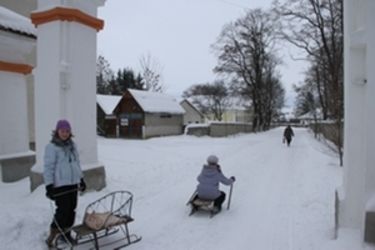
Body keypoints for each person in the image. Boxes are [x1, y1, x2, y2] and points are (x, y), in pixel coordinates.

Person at [43, 119, 86, 247]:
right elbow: (48, 167)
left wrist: (81, 179)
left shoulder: (73, 146)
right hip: (60, 185)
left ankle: (65, 234)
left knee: (71, 210)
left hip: (72, 184)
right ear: (57, 131)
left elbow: (77, 164)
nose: (65, 133)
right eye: (62, 131)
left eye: (67, 131)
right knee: (62, 211)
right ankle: (52, 236)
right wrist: (49, 186)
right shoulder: (51, 147)